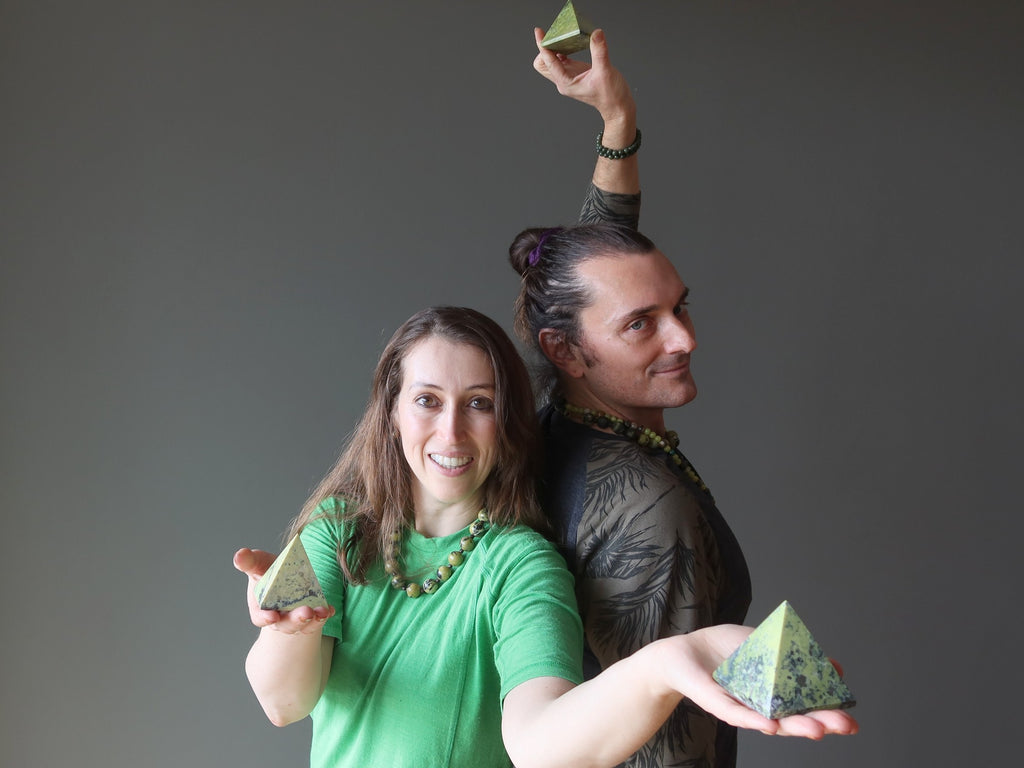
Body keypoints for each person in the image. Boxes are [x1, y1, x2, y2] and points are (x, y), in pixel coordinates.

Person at [234, 305, 856, 768]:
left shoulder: (520, 565)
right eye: (427, 400)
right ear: (392, 412)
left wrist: (666, 665)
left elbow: (540, 744)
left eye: (478, 404)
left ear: (505, 421)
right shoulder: (335, 533)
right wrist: (293, 627)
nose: (451, 432)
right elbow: (284, 703)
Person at [505, 31, 752, 768]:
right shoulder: (648, 508)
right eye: (643, 326)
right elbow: (663, 744)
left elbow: (601, 272)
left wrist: (616, 126)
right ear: (566, 351)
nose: (683, 338)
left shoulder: (548, 425)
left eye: (680, 307)